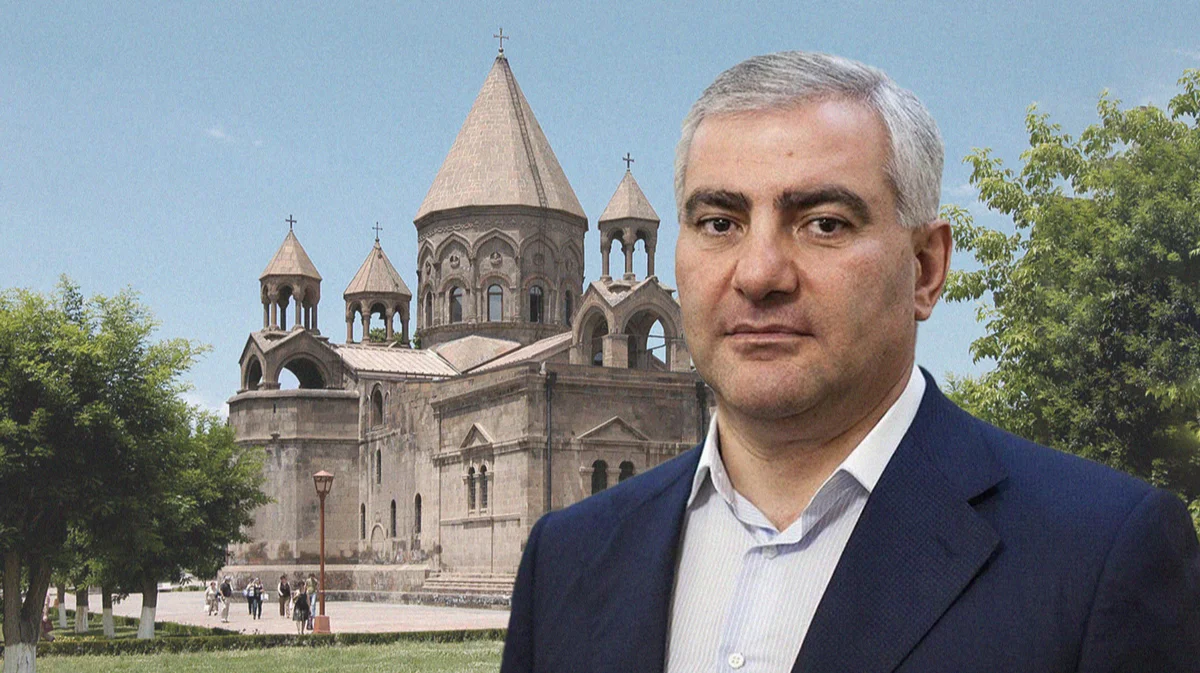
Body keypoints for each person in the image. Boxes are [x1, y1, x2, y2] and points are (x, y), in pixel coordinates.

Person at [500, 51, 1200, 673]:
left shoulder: (1098, 554)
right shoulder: (568, 556)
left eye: (824, 223)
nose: (760, 273)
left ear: (925, 267)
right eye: (720, 222)